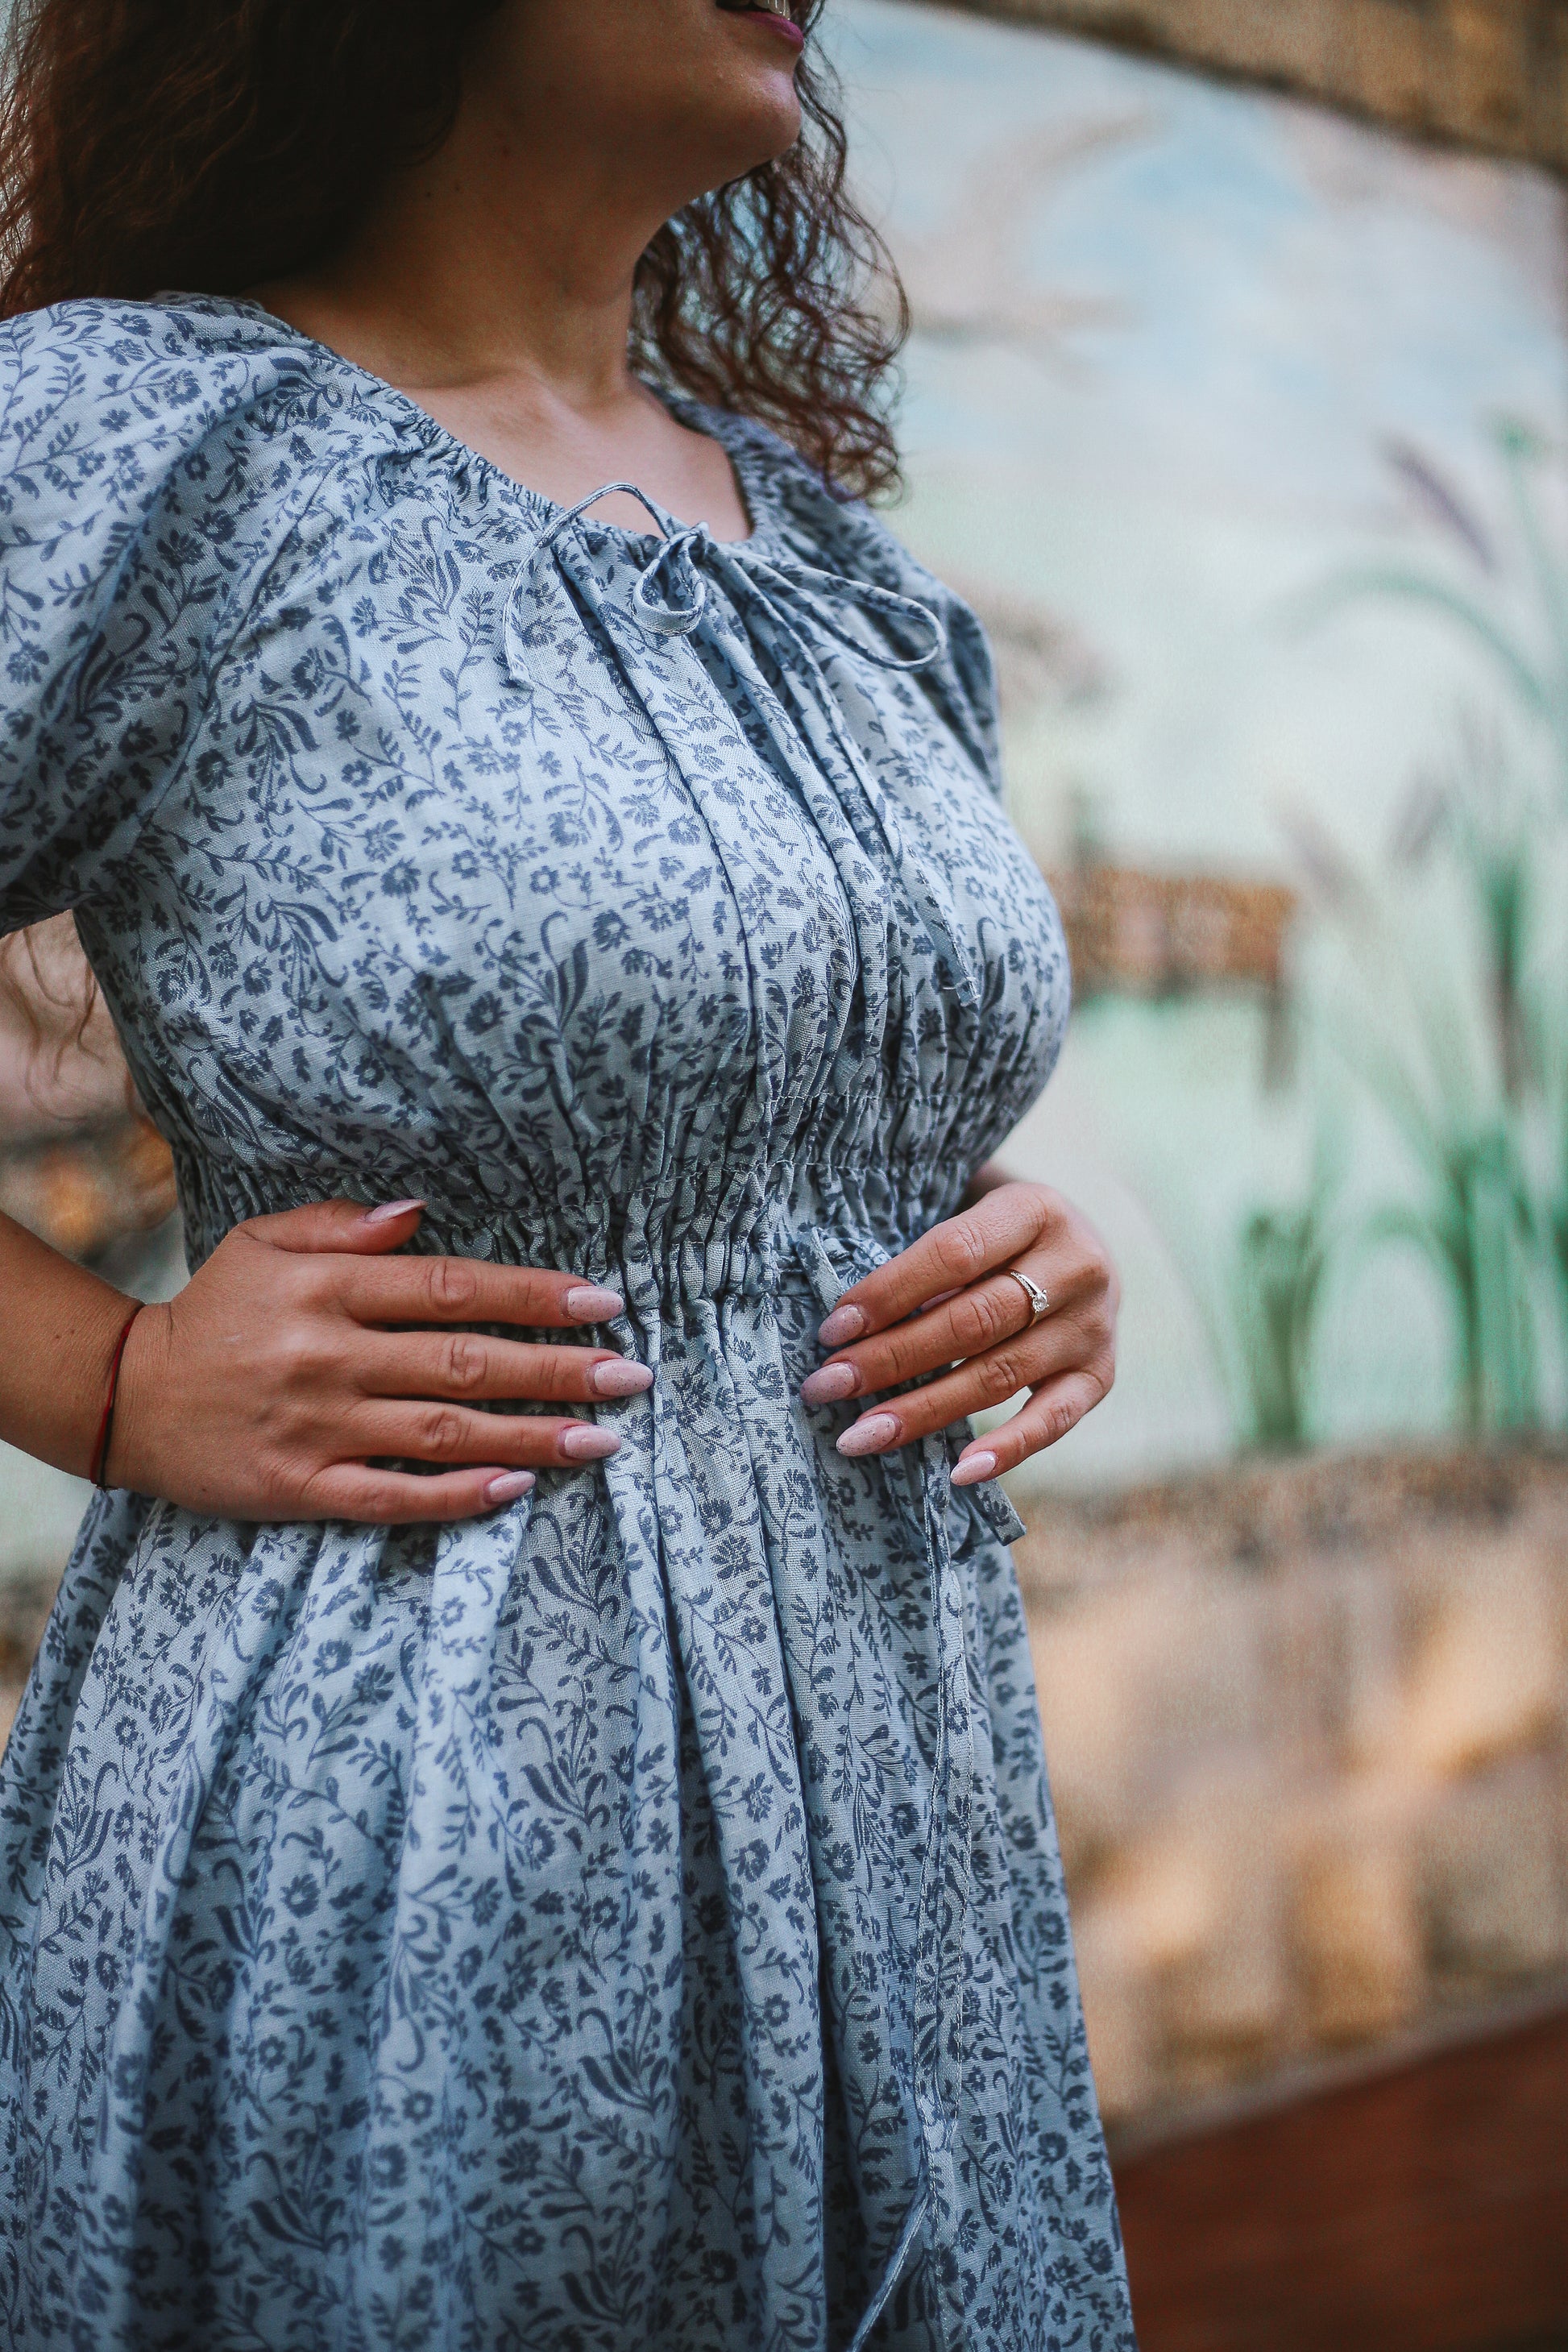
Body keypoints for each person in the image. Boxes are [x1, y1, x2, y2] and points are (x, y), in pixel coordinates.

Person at [0, 2, 1132, 2346]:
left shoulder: (833, 560)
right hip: (417, 1817)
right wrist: (101, 1376)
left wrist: (1015, 1252)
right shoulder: (146, 434)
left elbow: (816, 1100)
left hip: (905, 1813)